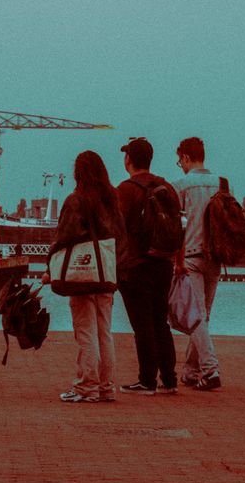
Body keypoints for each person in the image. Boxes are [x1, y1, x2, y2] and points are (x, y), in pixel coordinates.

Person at [43, 150, 126, 403]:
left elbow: (64, 237)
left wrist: (50, 267)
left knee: (86, 332)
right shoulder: (112, 200)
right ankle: (106, 387)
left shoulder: (76, 200)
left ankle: (86, 386)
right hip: (106, 274)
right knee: (104, 332)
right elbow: (120, 238)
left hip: (82, 275)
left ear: (78, 173)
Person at [116, 137, 181, 396]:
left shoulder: (126, 189)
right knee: (160, 322)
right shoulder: (167, 188)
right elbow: (177, 226)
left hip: (136, 264)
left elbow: (116, 228)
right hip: (163, 263)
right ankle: (169, 379)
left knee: (142, 325)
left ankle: (147, 380)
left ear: (129, 159)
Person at [173, 136, 222, 390]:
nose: (180, 165)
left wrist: (176, 260)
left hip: (191, 257)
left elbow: (176, 228)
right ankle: (191, 371)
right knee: (203, 316)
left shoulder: (180, 186)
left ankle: (210, 370)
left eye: (179, 160)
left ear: (185, 157)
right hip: (216, 256)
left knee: (196, 316)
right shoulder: (222, 184)